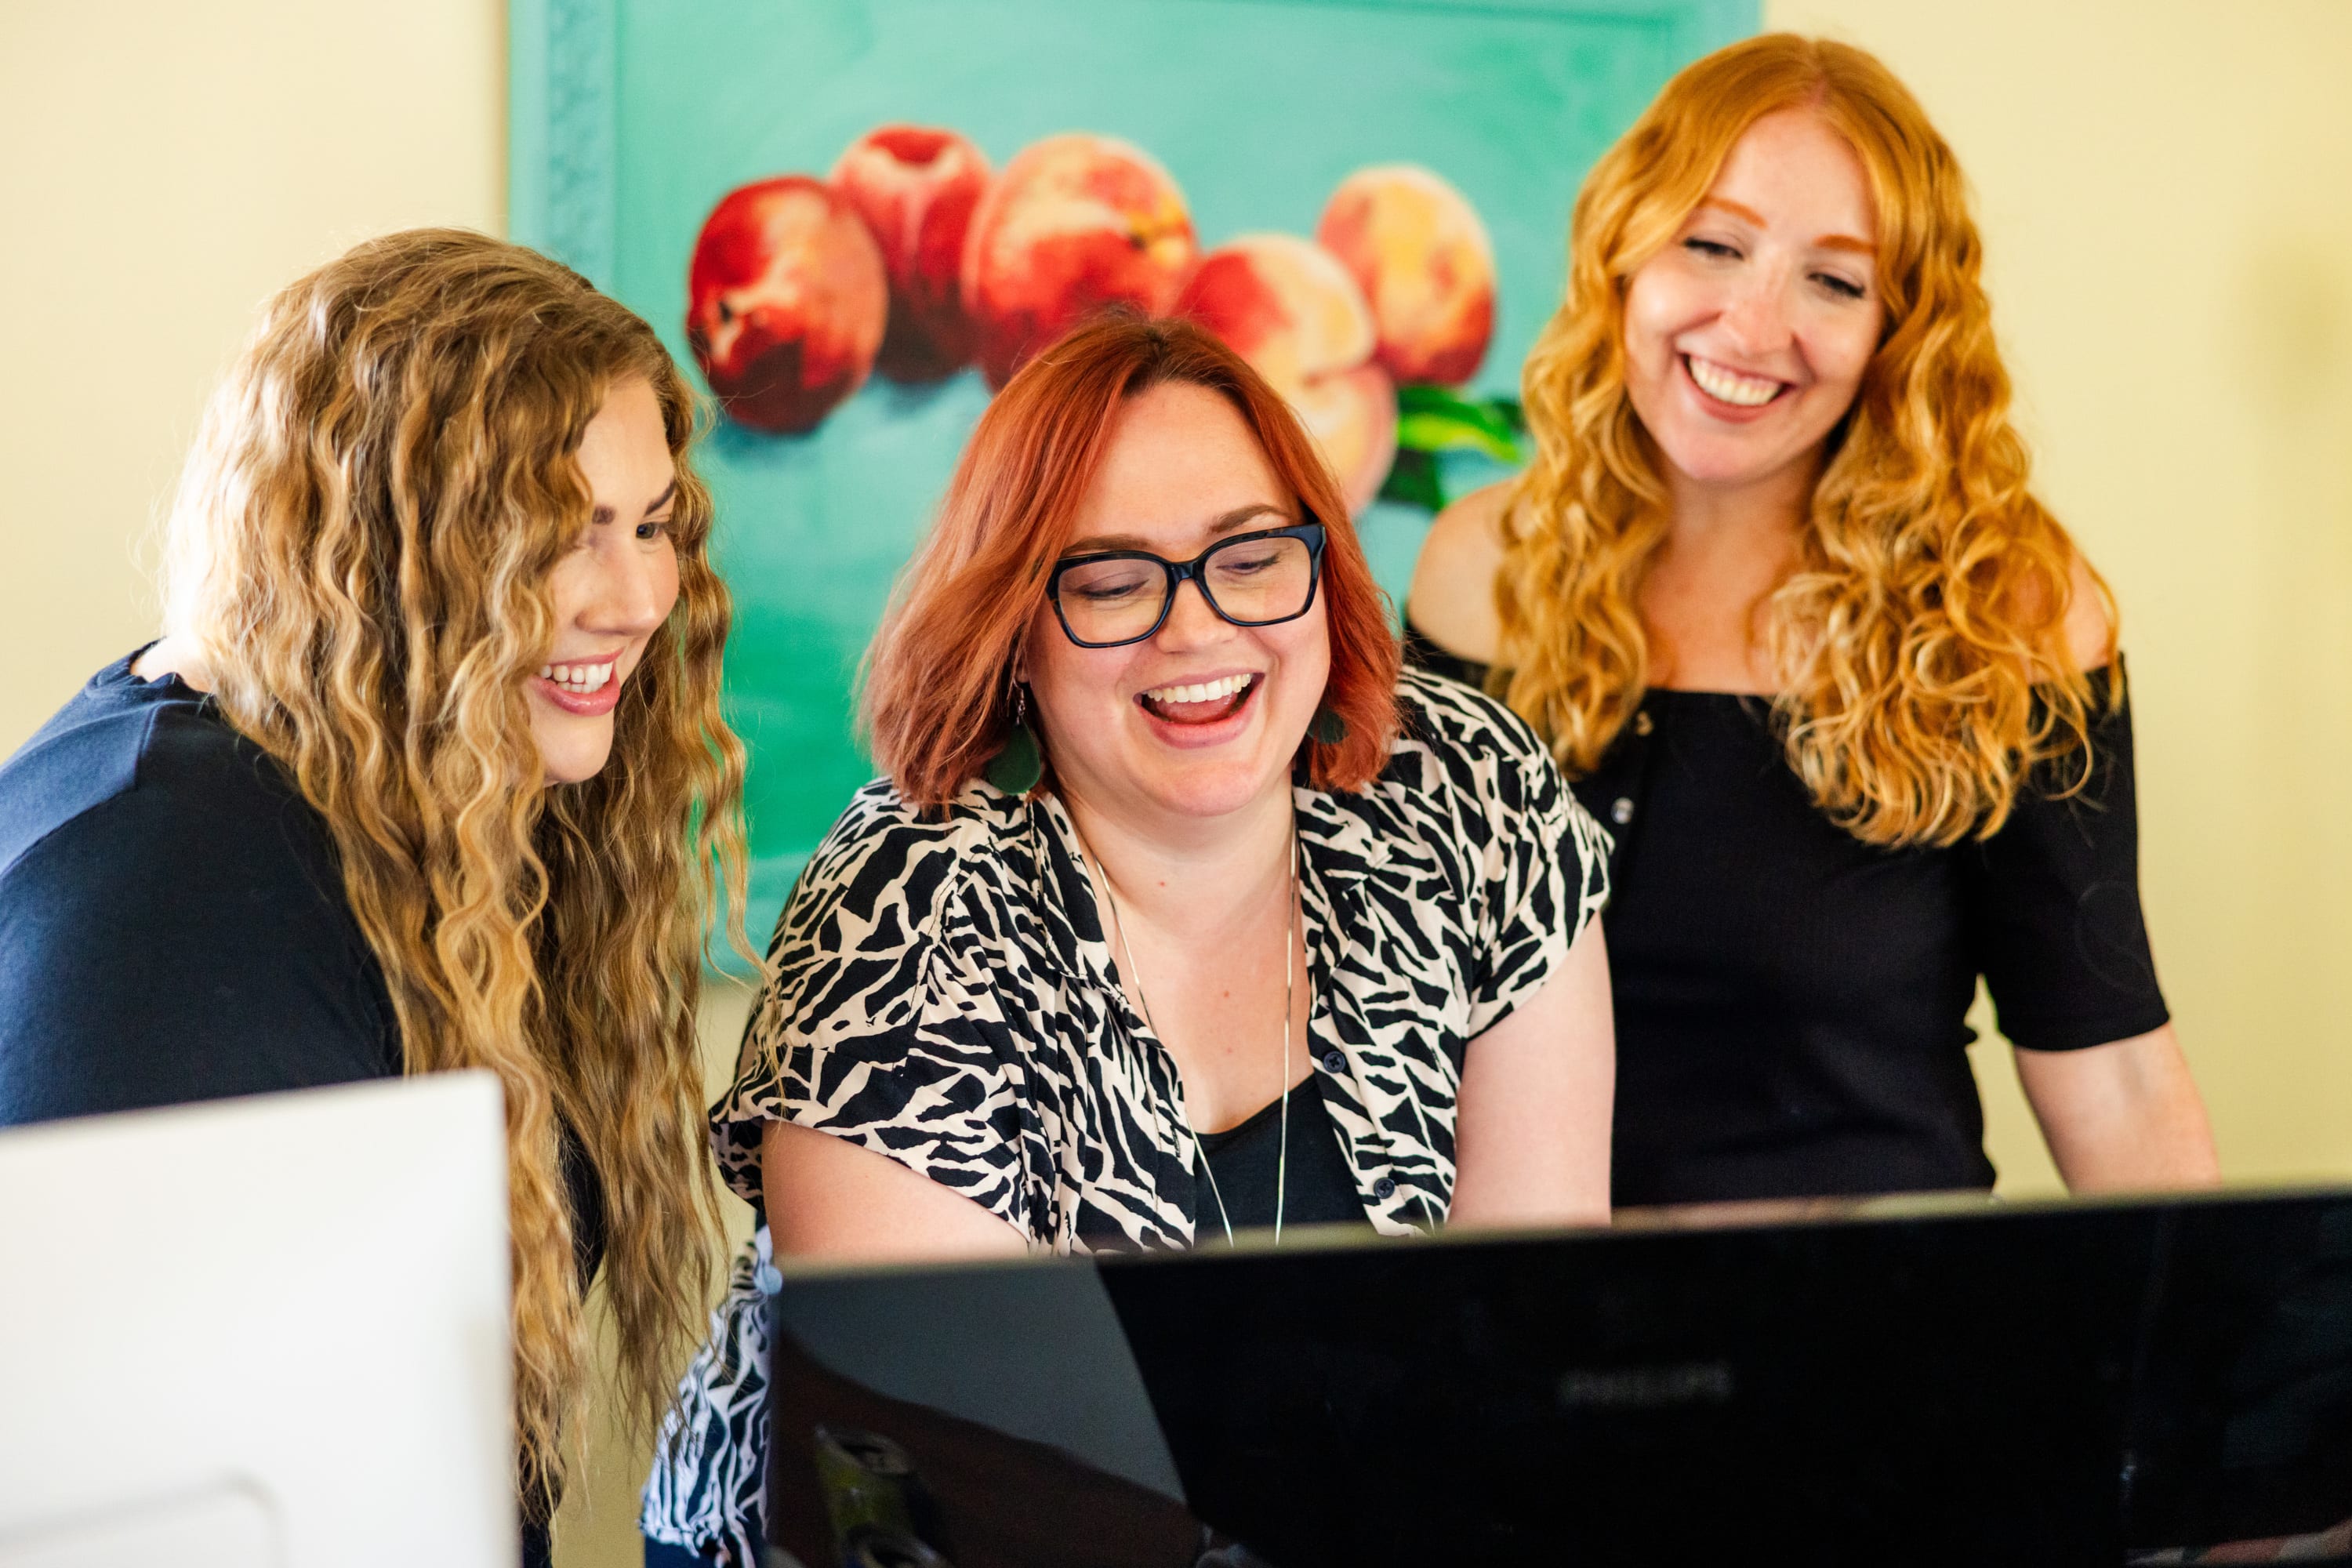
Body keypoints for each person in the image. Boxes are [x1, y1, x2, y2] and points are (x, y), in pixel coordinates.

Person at [640, 314, 1615, 1563]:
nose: (1197, 631)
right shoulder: (910, 915)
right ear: (1015, 634)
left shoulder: (1461, 791)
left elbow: (1531, 1352)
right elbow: (972, 1497)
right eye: (1109, 581)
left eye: (1250, 555)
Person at [0, 230, 749, 1566]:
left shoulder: (390, 791)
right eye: (558, 539)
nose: (639, 598)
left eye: (649, 527)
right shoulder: (176, 885)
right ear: (382, 548)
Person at [1406, 34, 2220, 1210]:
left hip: (1878, 1342)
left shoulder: (2011, 608)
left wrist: (2235, 1373)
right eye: (1714, 244)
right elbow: (1398, 1025)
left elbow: (2114, 1068)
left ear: (1899, 332)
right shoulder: (1481, 572)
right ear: (1627, 249)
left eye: (1833, 281)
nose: (1751, 326)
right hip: (1537, 1345)